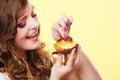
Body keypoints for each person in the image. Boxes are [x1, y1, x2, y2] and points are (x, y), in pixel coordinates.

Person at [0, 0, 102, 80]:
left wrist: (65, 42)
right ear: (4, 34)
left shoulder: (44, 65)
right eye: (22, 23)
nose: (35, 24)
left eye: (33, 14)